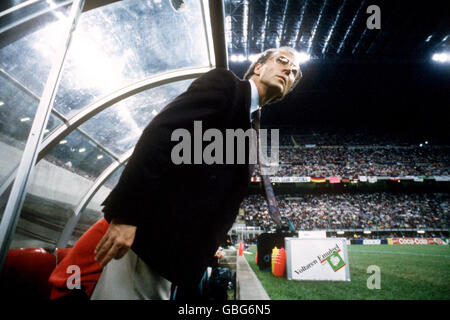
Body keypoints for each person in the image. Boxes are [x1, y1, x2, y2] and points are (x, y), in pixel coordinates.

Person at [91, 46, 302, 299]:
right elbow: (161, 136)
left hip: (174, 256)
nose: (289, 70)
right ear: (259, 67)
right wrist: (126, 216)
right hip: (148, 241)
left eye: (294, 73)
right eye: (283, 61)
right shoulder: (226, 85)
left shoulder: (252, 125)